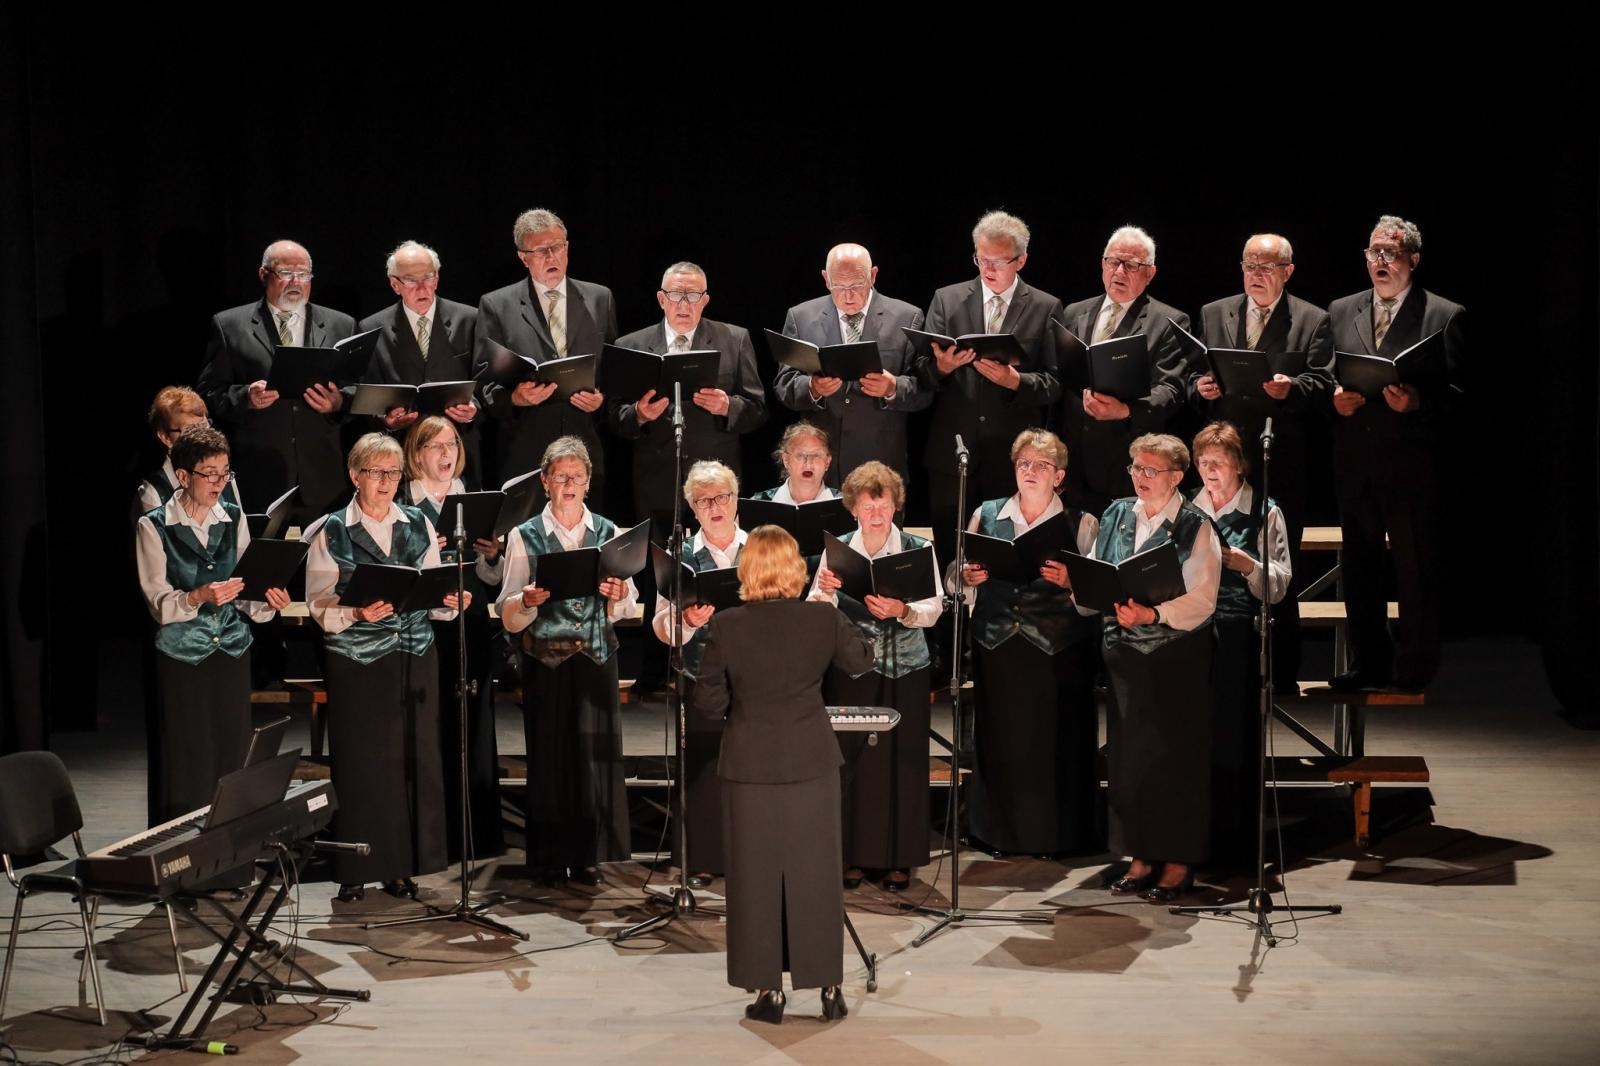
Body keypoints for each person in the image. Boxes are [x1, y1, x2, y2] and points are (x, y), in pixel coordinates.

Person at [693, 525, 873, 1025]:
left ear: (746, 570)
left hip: (749, 766)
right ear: (796, 569)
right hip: (812, 763)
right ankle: (829, 988)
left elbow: (707, 707)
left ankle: (769, 992)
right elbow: (861, 659)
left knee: (754, 880)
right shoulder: (821, 619)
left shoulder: (727, 625)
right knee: (816, 877)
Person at [305, 432, 464, 902]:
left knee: (408, 763)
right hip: (358, 661)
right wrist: (355, 613)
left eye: (393, 473)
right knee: (363, 765)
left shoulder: (416, 522)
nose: (386, 481)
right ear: (355, 476)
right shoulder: (331, 529)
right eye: (376, 472)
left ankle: (400, 865)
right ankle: (356, 868)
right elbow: (318, 605)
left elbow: (434, 597)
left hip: (412, 658)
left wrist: (450, 600)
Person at [1328, 215, 1466, 692]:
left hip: (1411, 465)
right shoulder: (1342, 310)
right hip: (1357, 462)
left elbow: (1461, 395)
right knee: (1361, 570)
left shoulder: (1442, 315)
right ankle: (1369, 663)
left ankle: (1415, 666)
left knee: (1414, 571)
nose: (1380, 261)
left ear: (1413, 259)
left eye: (1390, 252)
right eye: (1373, 253)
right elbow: (1329, 372)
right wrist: (1336, 398)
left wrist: (1419, 402)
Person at [1188, 232, 1332, 689]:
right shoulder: (1215, 312)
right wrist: (1201, 388)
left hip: (1280, 459)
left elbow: (1325, 383)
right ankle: (1213, 663)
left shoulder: (1312, 319)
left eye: (1267, 266)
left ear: (1288, 271)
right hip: (1220, 461)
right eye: (1250, 265)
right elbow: (1197, 373)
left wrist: (1293, 389)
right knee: (1208, 561)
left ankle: (1281, 675)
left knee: (1274, 565)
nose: (1256, 274)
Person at [496, 436, 636, 885]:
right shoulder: (524, 535)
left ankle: (591, 855)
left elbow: (628, 604)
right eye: (561, 477)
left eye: (577, 477)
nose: (569, 484)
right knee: (551, 755)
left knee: (594, 758)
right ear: (545, 482)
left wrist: (618, 596)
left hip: (595, 657)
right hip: (546, 659)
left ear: (589, 483)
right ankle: (552, 857)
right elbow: (507, 609)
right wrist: (527, 600)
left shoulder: (610, 533)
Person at [135, 426, 289, 823]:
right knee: (187, 759)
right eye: (210, 473)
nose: (219, 482)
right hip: (181, 656)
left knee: (231, 757)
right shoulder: (153, 525)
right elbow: (157, 602)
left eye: (225, 473)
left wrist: (267, 601)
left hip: (231, 652)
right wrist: (198, 596)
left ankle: (230, 866)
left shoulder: (234, 518)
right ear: (184, 477)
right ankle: (183, 867)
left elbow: (245, 589)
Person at [957, 430, 1100, 857]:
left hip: (1058, 648)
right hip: (999, 643)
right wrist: (966, 578)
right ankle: (998, 833)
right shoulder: (987, 513)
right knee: (1002, 741)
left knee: (1054, 743)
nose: (1030, 471)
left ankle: (1055, 836)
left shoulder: (1082, 522)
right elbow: (959, 579)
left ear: (1059, 475)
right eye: (1023, 464)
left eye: (1041, 465)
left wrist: (1074, 581)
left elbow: (1098, 594)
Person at [1092, 434, 1221, 903]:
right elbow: (1099, 571)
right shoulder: (1115, 514)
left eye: (1151, 471)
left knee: (1174, 760)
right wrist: (1079, 582)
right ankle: (1140, 854)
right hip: (1125, 654)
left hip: (1174, 655)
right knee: (1130, 759)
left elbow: (1203, 600)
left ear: (1175, 476)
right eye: (1136, 468)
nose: (1141, 478)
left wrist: (1153, 615)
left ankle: (1178, 860)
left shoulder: (1195, 526)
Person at [810, 462, 941, 890]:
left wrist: (902, 610)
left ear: (894, 504)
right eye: (867, 504)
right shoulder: (837, 552)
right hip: (855, 669)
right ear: (853, 509)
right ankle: (854, 855)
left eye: (882, 502)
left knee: (902, 761)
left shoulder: (916, 549)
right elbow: (815, 609)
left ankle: (899, 858)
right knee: (855, 762)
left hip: (906, 669)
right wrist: (827, 592)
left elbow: (935, 608)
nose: (876, 512)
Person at [914, 211, 1062, 572]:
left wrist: (1016, 381)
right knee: (950, 558)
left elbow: (1055, 384)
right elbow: (919, 371)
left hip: (1008, 457)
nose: (988, 269)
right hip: (953, 454)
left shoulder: (1046, 307)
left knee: (998, 561)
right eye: (981, 259)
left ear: (1021, 259)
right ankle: (950, 626)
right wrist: (942, 367)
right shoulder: (947, 300)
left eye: (998, 261)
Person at [401, 416, 506, 863]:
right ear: (417, 454)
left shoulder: (470, 495)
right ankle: (434, 834)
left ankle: (475, 836)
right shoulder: (405, 500)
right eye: (435, 446)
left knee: (474, 718)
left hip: (471, 616)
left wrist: (492, 555)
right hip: (426, 623)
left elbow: (491, 576)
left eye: (452, 444)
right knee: (432, 722)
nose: (446, 454)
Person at [1189, 421, 1290, 867]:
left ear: (1239, 465)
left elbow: (1280, 584)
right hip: (1189, 634)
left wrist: (1250, 567)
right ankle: (1193, 837)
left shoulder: (1263, 511)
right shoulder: (1188, 509)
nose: (1209, 471)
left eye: (1218, 462)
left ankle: (1235, 842)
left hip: (1236, 635)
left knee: (1233, 738)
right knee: (1194, 740)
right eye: (1203, 462)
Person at [196, 239, 355, 516]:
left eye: (303, 274)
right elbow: (209, 392)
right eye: (285, 273)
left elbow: (357, 387)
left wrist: (339, 402)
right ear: (263, 274)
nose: (296, 281)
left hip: (322, 477)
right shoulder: (230, 325)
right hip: (260, 474)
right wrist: (245, 397)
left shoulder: (341, 324)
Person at [608, 261, 767, 532]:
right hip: (657, 482)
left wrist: (728, 406)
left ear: (705, 300)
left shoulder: (734, 339)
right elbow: (614, 416)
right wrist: (639, 414)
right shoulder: (631, 345)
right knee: (660, 568)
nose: (684, 304)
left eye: (693, 296)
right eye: (675, 295)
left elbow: (758, 410)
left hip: (716, 487)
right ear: (661, 299)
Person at [650, 461, 745, 885]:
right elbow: (659, 625)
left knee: (751, 765)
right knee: (704, 769)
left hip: (753, 678)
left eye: (721, 496)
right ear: (692, 507)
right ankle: (704, 858)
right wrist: (687, 621)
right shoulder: (680, 557)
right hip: (700, 675)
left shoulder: (758, 548)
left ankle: (753, 851)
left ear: (736, 499)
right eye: (704, 500)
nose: (715, 506)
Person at [475, 208, 617, 489]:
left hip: (584, 447)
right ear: (523, 257)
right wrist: (515, 398)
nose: (552, 257)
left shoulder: (600, 298)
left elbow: (614, 369)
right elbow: (483, 383)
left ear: (567, 247)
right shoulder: (497, 305)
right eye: (541, 251)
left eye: (557, 248)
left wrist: (602, 399)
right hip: (526, 450)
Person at [1057, 225, 1193, 516]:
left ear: (1150, 273)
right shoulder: (1073, 313)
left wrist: (1125, 411)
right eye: (1113, 262)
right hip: (1074, 461)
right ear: (1102, 264)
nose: (1119, 272)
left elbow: (1171, 390)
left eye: (1131, 265)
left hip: (1126, 462)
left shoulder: (1169, 321)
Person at [772, 243, 931, 483]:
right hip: (821, 466)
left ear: (873, 275)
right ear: (826, 279)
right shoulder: (801, 317)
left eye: (857, 285)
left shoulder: (907, 317)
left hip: (880, 464)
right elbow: (784, 385)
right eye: (838, 286)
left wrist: (892, 388)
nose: (848, 295)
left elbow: (925, 388)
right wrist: (813, 388)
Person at [358, 241, 483, 482]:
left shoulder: (470, 319)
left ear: (437, 278)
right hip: (405, 452)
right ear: (395, 284)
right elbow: (368, 392)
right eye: (411, 280)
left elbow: (486, 379)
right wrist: (387, 420)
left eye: (428, 277)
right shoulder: (372, 328)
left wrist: (472, 407)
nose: (422, 287)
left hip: (460, 449)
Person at [134, 386, 240, 520]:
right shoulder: (153, 491)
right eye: (191, 431)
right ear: (165, 437)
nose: (201, 438)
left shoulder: (226, 477)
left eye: (204, 427)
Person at [750, 421, 836, 503]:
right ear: (786, 460)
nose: (808, 464)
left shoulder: (844, 506)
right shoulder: (758, 504)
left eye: (816, 456)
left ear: (827, 462)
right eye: (800, 456)